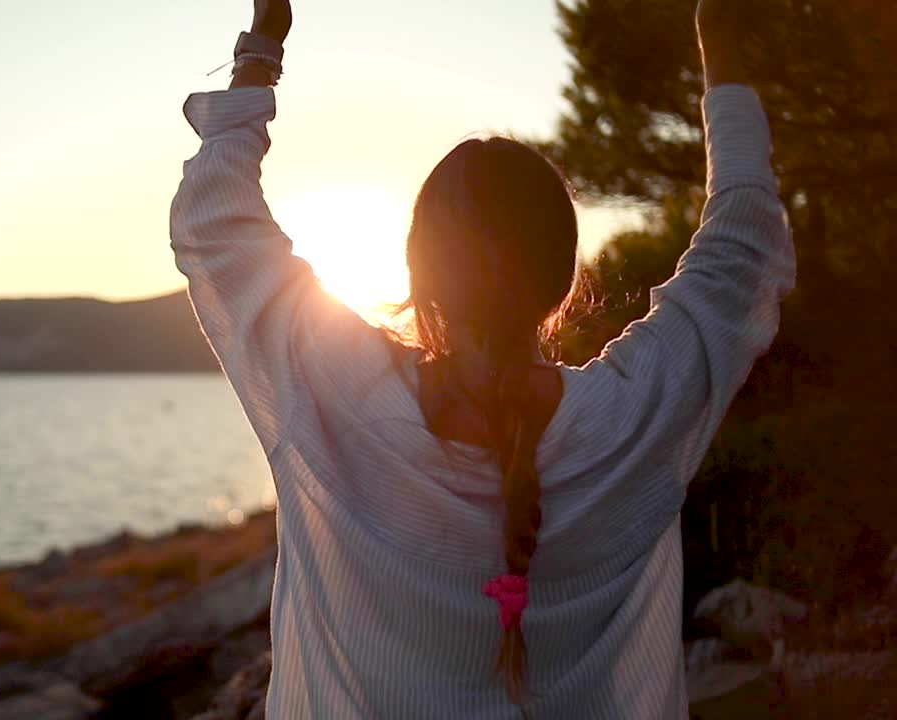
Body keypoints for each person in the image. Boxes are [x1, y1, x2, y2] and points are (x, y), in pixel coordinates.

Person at [169, 0, 795, 716]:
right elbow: (742, 238)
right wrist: (723, 49)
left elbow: (214, 217)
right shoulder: (635, 416)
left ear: (417, 271)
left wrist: (262, 49)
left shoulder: (335, 395)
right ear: (563, 278)